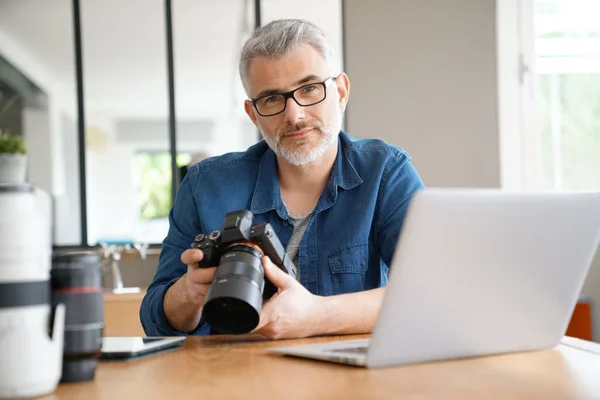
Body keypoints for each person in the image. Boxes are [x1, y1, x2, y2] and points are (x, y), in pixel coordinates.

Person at [140, 18, 425, 340]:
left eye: (309, 89)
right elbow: (155, 321)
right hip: (234, 380)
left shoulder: (385, 171)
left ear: (341, 92)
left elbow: (430, 294)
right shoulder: (205, 185)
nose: (295, 115)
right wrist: (189, 293)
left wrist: (315, 316)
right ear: (253, 114)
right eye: (272, 99)